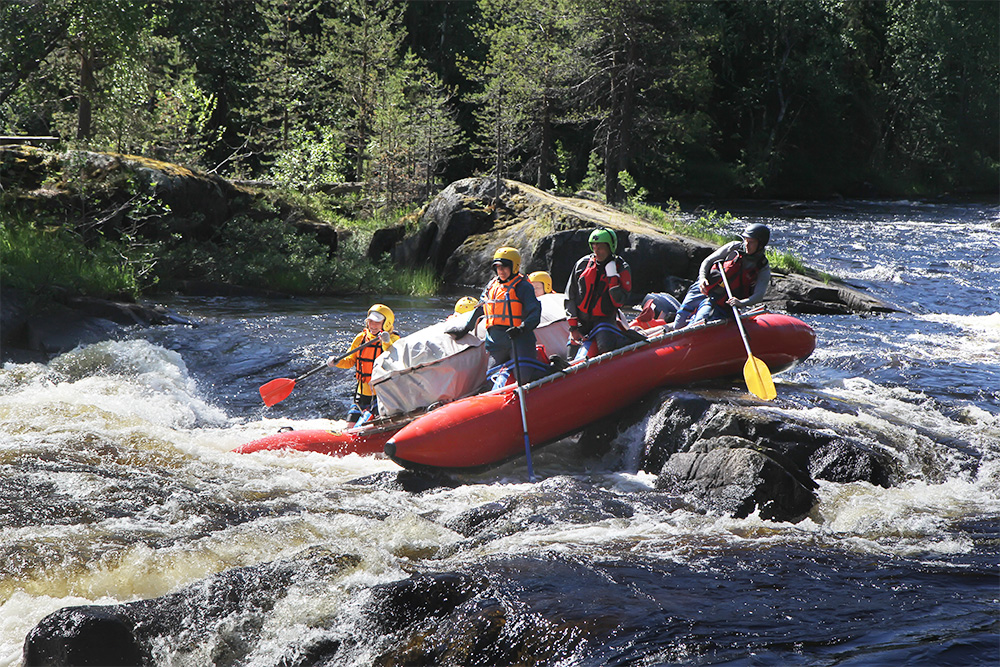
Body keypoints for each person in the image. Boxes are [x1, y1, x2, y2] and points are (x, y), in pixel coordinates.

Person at [671, 223, 772, 331]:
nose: (746, 244)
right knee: (679, 322)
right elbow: (707, 261)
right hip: (704, 287)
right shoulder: (733, 247)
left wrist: (741, 303)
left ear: (760, 244)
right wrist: (702, 278)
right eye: (746, 240)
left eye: (751, 242)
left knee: (698, 323)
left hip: (720, 300)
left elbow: (758, 296)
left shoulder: (763, 267)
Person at [565, 228, 633, 360]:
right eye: (594, 247)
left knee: (605, 348)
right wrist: (573, 327)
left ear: (610, 247)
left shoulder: (622, 268)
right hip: (581, 322)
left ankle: (624, 342)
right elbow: (570, 295)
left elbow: (620, 301)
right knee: (570, 357)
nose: (597, 251)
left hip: (605, 320)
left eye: (601, 247)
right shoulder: (582, 264)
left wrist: (612, 278)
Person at [329, 304, 400, 427]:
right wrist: (337, 362)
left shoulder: (394, 339)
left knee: (374, 427)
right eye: (370, 321)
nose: (372, 325)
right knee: (349, 427)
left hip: (382, 395)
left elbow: (392, 355)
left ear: (386, 323)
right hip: (361, 393)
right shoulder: (361, 338)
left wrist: (386, 340)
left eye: (377, 322)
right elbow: (350, 361)